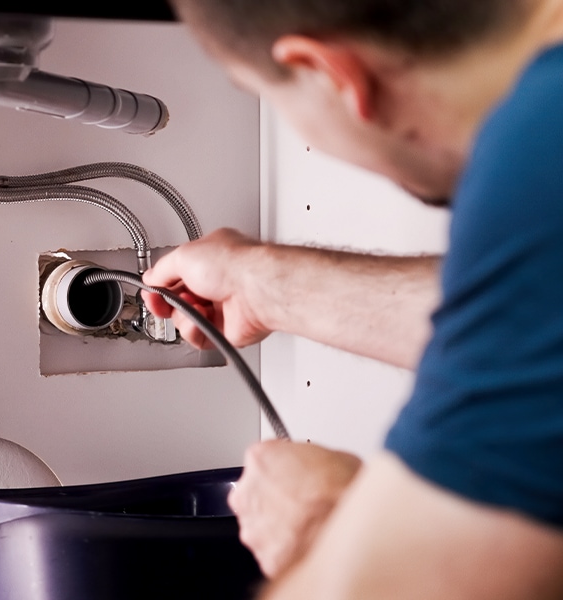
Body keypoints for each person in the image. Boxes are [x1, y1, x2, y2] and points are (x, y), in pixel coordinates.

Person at [142, 0, 563, 597]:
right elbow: (534, 326)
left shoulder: (541, 147)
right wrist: (266, 286)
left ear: (326, 72)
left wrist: (323, 530)